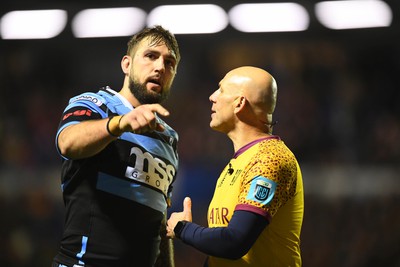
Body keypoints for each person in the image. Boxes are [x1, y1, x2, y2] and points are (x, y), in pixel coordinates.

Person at [53, 25, 181, 267]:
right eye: (151, 56)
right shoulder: (95, 105)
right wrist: (119, 124)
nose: (160, 67)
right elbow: (67, 143)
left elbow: (159, 222)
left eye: (169, 63)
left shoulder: (169, 138)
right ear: (126, 64)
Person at [167, 66, 304, 266]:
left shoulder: (270, 159)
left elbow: (235, 242)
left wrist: (183, 229)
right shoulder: (237, 163)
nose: (212, 97)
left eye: (221, 90)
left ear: (239, 103)